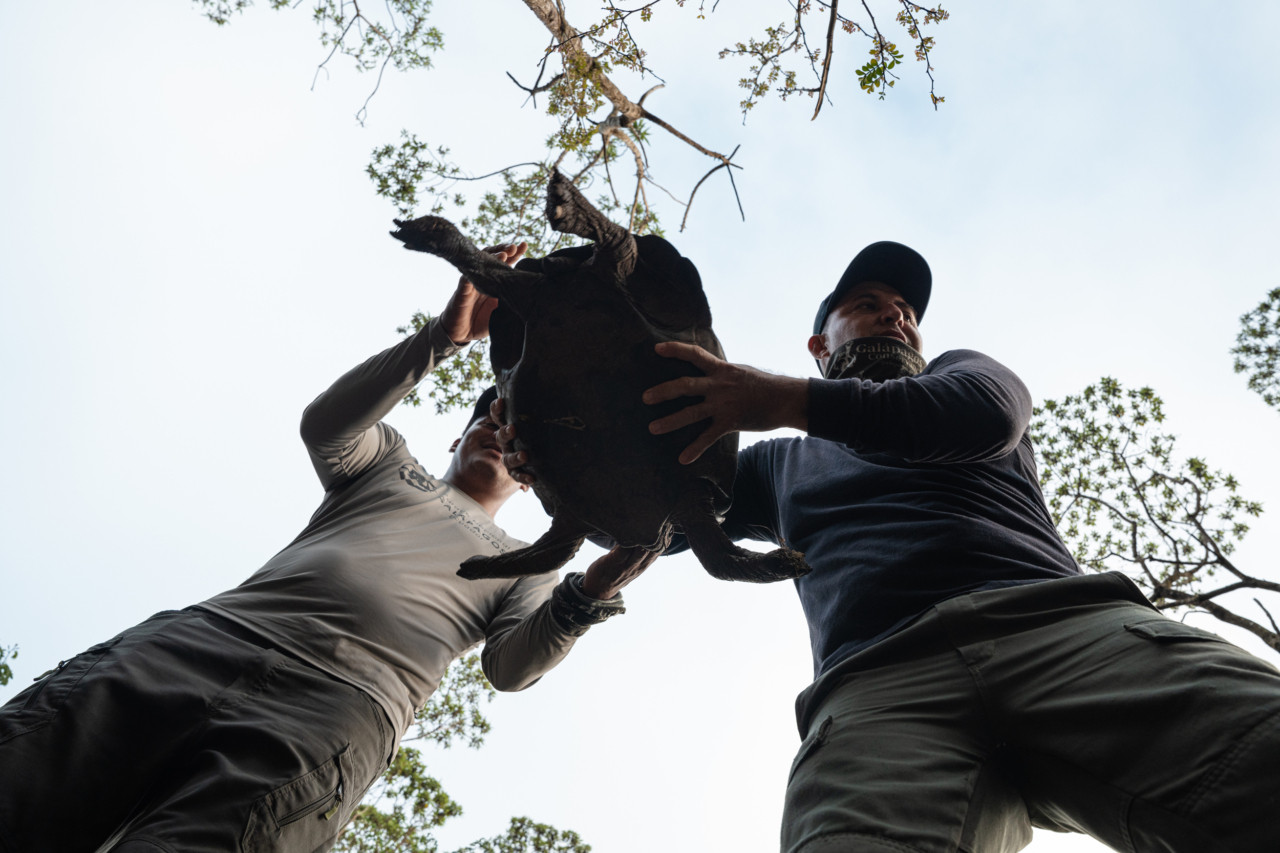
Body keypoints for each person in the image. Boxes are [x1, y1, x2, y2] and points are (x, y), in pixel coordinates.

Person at [503, 240, 1280, 853]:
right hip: (877, 689)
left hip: (1064, 633)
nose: (895, 317)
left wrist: (779, 399)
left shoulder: (961, 375)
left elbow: (977, 418)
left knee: (1258, 762)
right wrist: (553, 464)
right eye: (868, 305)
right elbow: (654, 516)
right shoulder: (773, 465)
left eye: (905, 309)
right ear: (820, 341)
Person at [0, 242, 647, 853]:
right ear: (456, 438)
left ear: (532, 472)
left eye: (516, 432)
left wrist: (593, 588)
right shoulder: (390, 463)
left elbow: (509, 667)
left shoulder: (530, 559)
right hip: (200, 644)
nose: (498, 431)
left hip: (330, 716)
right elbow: (326, 424)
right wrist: (440, 339)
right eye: (490, 414)